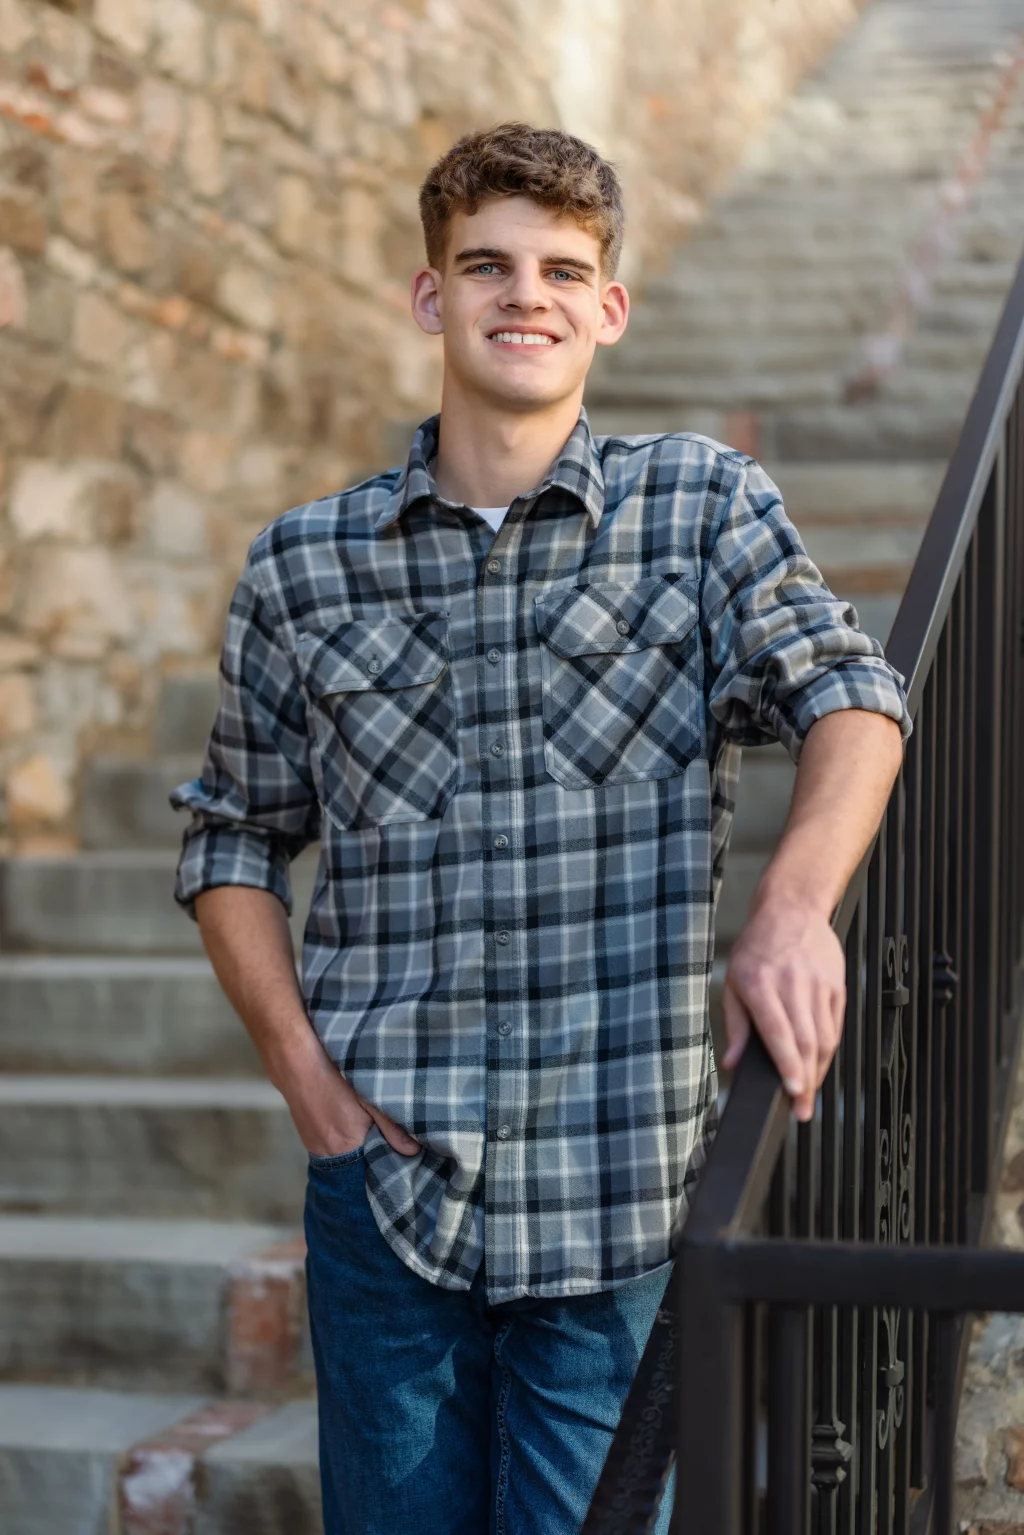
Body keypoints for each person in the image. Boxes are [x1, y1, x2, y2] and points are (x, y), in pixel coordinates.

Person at [172, 122, 910, 1535]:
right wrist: (306, 1082)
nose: (529, 295)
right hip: (386, 1202)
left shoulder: (702, 509)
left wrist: (793, 904)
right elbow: (232, 837)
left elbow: (853, 694)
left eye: (565, 270)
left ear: (609, 308)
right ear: (430, 294)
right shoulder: (305, 566)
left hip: (617, 1195)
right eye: (489, 264)